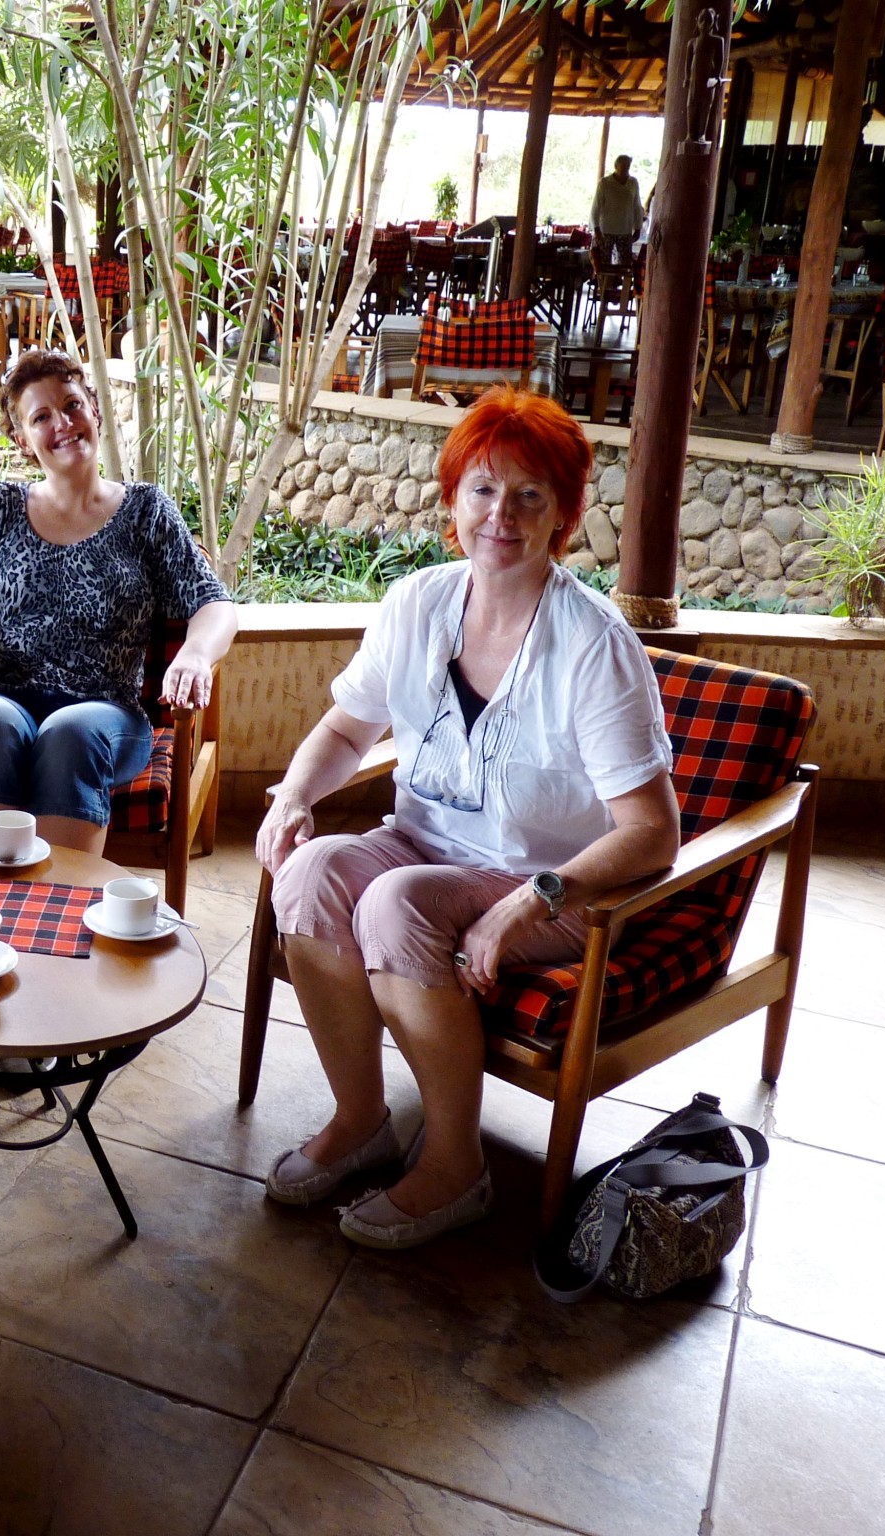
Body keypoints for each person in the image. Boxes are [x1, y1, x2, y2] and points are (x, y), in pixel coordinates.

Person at [255, 387, 679, 1250]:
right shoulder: (417, 603)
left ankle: (456, 1166)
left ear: (563, 514)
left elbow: (652, 830)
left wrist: (533, 900)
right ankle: (362, 1119)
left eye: (530, 495)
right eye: (484, 489)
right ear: (453, 500)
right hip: (425, 848)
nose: (502, 514)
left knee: (394, 904)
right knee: (309, 873)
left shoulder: (593, 645)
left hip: (550, 885)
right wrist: (297, 795)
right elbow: (346, 727)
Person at [0, 348, 237, 854]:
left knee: (69, 735)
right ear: (23, 440)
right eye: (41, 417)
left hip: (104, 714)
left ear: (95, 411)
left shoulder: (147, 511)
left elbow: (215, 606)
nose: (62, 423)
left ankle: (58, 916)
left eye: (72, 405)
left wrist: (194, 654)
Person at [591, 155, 644, 265]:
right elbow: (596, 207)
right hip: (606, 231)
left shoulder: (633, 183)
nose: (626, 168)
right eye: (623, 165)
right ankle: (604, 283)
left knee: (625, 265)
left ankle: (622, 282)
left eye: (628, 166)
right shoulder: (605, 183)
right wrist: (596, 229)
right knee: (603, 265)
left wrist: (638, 228)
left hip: (625, 230)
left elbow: (637, 206)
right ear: (616, 166)